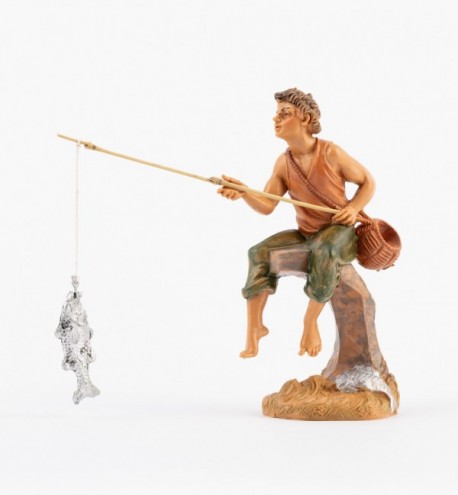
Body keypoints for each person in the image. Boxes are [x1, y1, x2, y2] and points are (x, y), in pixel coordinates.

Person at [217, 88, 375, 359]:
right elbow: (267, 205)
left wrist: (352, 208)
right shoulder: (284, 163)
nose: (275, 119)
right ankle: (255, 328)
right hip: (307, 234)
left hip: (339, 234)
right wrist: (244, 192)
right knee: (258, 252)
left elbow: (368, 182)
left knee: (324, 249)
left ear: (305, 118)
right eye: (277, 113)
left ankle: (310, 321)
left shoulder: (331, 153)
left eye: (285, 113)